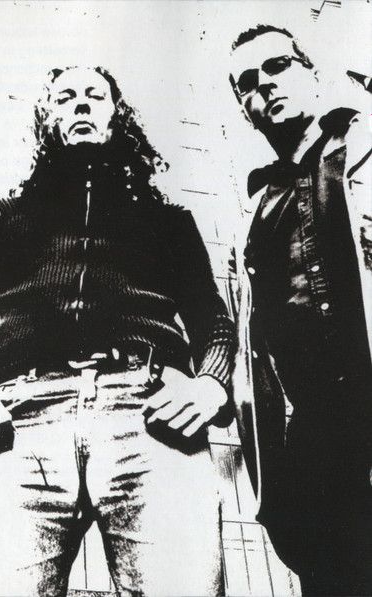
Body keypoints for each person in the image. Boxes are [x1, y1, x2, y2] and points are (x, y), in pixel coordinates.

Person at [0, 66, 235, 596]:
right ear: (47, 118)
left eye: (95, 95)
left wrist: (211, 384)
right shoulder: (2, 217)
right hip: (21, 423)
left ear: (117, 116)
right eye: (66, 97)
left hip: (150, 416)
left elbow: (215, 322)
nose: (81, 104)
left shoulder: (169, 221)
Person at [228, 25, 372, 595]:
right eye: (248, 82)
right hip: (317, 441)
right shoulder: (255, 212)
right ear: (245, 110)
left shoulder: (363, 147)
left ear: (311, 72)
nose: (265, 84)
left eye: (278, 66)